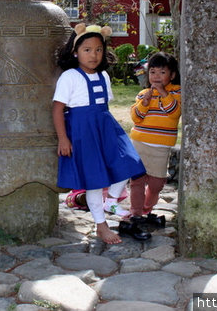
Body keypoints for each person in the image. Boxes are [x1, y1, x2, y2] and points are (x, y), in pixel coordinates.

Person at [52, 23, 148, 244]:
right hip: (81, 131)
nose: (93, 55)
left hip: (105, 127)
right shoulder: (70, 77)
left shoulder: (103, 76)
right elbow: (58, 108)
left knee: (129, 162)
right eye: (87, 50)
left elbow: (103, 105)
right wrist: (63, 138)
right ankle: (101, 225)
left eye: (98, 49)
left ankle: (111, 200)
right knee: (93, 179)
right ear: (76, 52)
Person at [128, 52, 182, 227]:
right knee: (137, 180)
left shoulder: (176, 92)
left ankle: (146, 208)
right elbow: (136, 118)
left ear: (172, 75)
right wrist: (144, 103)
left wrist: (163, 93)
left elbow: (174, 113)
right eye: (152, 72)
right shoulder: (143, 93)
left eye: (162, 72)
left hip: (161, 147)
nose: (156, 76)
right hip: (139, 143)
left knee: (157, 183)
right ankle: (136, 213)